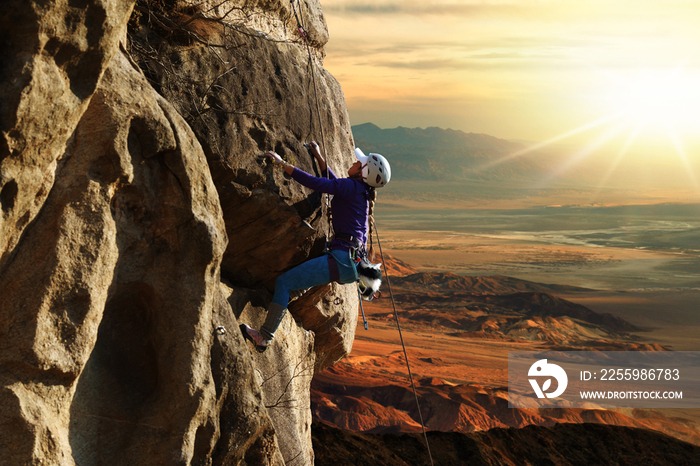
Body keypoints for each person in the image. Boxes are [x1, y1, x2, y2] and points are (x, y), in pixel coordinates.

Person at [240, 141, 391, 353]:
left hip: (342, 259)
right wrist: (318, 156)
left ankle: (264, 338)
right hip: (349, 262)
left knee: (283, 283)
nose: (355, 162)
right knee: (294, 287)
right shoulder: (360, 191)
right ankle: (274, 317)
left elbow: (319, 184)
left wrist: (282, 164)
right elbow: (332, 182)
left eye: (359, 163)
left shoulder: (352, 187)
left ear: (363, 172)